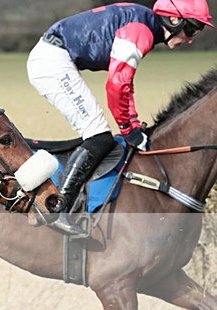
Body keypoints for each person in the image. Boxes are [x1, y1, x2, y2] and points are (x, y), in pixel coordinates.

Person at [27, 0, 213, 235]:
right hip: (51, 62)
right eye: (192, 28)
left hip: (55, 58)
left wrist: (132, 124)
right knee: (99, 137)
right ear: (174, 20)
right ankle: (58, 208)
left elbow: (125, 84)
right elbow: (118, 84)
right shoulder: (141, 31)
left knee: (99, 135)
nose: (191, 38)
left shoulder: (144, 24)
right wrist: (128, 129)